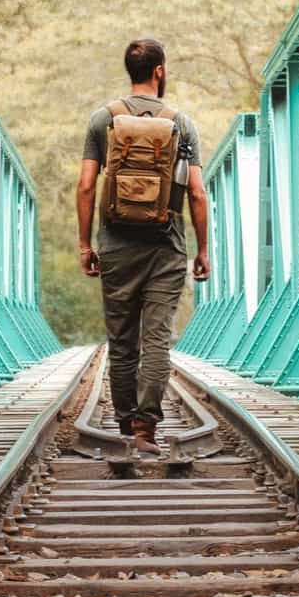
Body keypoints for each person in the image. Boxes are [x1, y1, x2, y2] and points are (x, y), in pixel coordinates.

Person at [76, 38, 211, 456]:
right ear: (159, 71)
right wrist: (202, 250)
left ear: (129, 70)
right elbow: (197, 194)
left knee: (121, 341)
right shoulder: (181, 123)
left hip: (116, 244)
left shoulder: (104, 119)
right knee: (156, 340)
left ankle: (122, 424)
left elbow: (84, 186)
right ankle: (144, 430)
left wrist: (85, 245)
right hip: (165, 246)